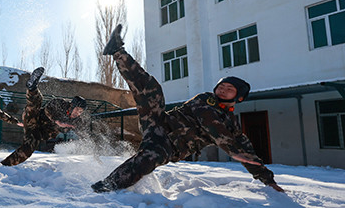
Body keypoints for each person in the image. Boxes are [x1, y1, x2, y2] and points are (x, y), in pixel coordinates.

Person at [92, 24, 284, 193]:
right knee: (152, 91)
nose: (223, 90)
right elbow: (210, 123)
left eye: (229, 89)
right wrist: (231, 150)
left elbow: (246, 150)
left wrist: (268, 180)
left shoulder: (232, 125)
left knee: (149, 158)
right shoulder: (205, 101)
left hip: (171, 146)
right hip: (160, 124)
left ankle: (106, 186)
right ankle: (117, 51)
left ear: (238, 97)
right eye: (221, 86)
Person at [1, 67, 87, 166]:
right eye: (77, 109)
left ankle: (5, 165)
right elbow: (48, 109)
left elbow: (84, 133)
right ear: (72, 105)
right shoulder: (61, 103)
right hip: (34, 119)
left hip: (40, 133)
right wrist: (56, 121)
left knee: (28, 148)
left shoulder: (76, 121)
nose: (78, 113)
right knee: (36, 103)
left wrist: (93, 151)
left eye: (81, 112)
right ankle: (32, 87)